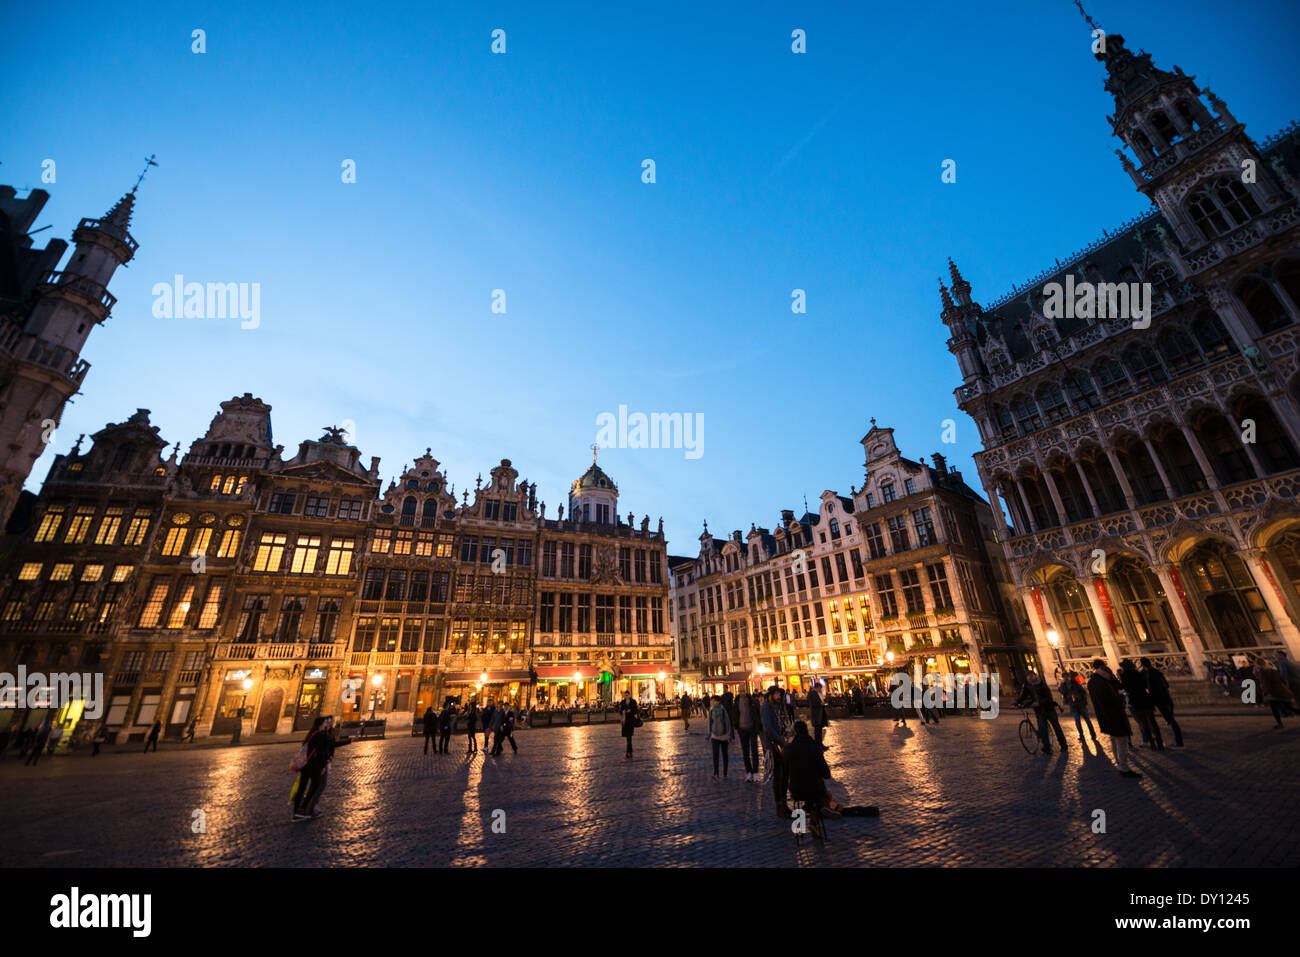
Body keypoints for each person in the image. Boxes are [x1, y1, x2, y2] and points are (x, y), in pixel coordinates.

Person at [784, 720, 841, 839]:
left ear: (795, 733)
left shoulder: (789, 749)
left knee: (810, 797)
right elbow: (826, 774)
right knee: (825, 796)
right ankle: (821, 811)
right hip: (815, 789)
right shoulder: (815, 748)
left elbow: (785, 771)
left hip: (796, 789)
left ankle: (814, 821)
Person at [1087, 659, 1140, 778]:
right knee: (1121, 740)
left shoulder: (1092, 682)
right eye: (1108, 674)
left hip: (1105, 717)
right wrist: (1121, 697)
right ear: (1103, 671)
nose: (1110, 676)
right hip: (1114, 715)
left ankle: (1119, 763)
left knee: (1114, 739)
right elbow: (1112, 700)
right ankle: (1123, 767)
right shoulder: (1103, 684)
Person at [292, 716, 345, 821]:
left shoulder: (312, 733)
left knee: (302, 787)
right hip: (314, 765)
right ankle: (304, 809)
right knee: (315, 786)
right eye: (326, 722)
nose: (328, 723)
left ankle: (297, 812)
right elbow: (323, 751)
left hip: (305, 765)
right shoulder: (320, 735)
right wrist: (323, 766)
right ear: (321, 723)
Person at [1015, 670, 1068, 753]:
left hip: (1049, 709)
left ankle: (1063, 745)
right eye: (1028, 677)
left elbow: (1049, 697)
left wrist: (1039, 703)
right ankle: (1047, 747)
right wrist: (1016, 702)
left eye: (1031, 676)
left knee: (1057, 728)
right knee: (1043, 729)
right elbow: (1023, 696)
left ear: (1035, 676)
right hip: (1039, 711)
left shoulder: (1042, 684)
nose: (1030, 679)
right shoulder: (1027, 685)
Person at [1118, 658, 1163, 750]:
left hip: (1136, 701)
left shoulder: (1125, 676)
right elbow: (1145, 685)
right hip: (1145, 699)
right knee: (1152, 722)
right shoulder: (1138, 673)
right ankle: (1160, 743)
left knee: (1144, 723)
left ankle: (1152, 744)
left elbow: (1125, 688)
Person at [761, 686, 791, 817]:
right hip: (774, 745)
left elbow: (779, 725)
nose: (779, 697)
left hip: (779, 743)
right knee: (778, 777)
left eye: (780, 694)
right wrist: (781, 741)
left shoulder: (776, 707)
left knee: (784, 776)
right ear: (771, 695)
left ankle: (784, 804)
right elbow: (769, 728)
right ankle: (780, 806)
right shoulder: (766, 707)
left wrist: (787, 732)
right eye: (777, 694)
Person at [1140, 658, 1183, 747]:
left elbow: (1147, 687)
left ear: (1142, 665)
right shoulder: (1157, 672)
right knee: (1171, 720)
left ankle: (1178, 743)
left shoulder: (1148, 674)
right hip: (1166, 698)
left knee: (1168, 720)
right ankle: (1178, 742)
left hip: (1158, 700)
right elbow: (1167, 685)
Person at [1254, 656, 1297, 728]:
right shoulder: (1274, 670)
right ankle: (1281, 722)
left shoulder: (1263, 672)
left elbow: (1265, 684)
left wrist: (1265, 693)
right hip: (1281, 690)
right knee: (1289, 707)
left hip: (1273, 693)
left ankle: (1280, 724)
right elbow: (1283, 680)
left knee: (1275, 709)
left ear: (1258, 664)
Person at [1059, 670, 1100, 745]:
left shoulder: (1075, 684)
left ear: (1070, 677)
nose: (1066, 679)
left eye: (1067, 677)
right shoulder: (1063, 686)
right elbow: (1063, 694)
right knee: (1077, 721)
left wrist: (1078, 696)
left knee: (1087, 720)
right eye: (1064, 678)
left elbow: (1083, 692)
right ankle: (1081, 735)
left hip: (1081, 704)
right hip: (1073, 705)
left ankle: (1093, 734)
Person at [733, 689, 762, 782]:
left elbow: (757, 713)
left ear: (746, 691)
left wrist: (758, 725)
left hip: (752, 728)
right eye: (740, 691)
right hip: (742, 729)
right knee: (745, 751)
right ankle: (748, 772)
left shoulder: (752, 701)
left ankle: (756, 772)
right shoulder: (736, 702)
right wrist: (736, 725)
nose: (742, 692)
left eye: (743, 690)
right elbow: (734, 715)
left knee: (754, 750)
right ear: (738, 691)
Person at [707, 694, 734, 781]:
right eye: (711, 701)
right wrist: (709, 734)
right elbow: (710, 723)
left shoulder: (723, 710)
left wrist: (729, 734)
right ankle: (716, 773)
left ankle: (725, 773)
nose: (712, 702)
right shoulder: (711, 710)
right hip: (714, 735)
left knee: (724, 754)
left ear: (718, 702)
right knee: (715, 754)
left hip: (724, 735)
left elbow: (727, 722)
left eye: (714, 701)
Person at [809, 681, 829, 747]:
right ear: (817, 687)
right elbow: (813, 703)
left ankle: (820, 744)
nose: (821, 689)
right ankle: (818, 745)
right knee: (817, 731)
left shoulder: (818, 693)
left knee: (819, 731)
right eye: (820, 688)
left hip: (820, 714)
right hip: (816, 715)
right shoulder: (812, 693)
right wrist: (821, 704)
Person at [619, 691, 638, 758]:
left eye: (627, 695)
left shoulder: (633, 701)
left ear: (630, 695)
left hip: (631, 721)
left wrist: (631, 711)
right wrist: (623, 711)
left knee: (629, 737)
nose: (626, 696)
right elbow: (620, 711)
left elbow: (636, 710)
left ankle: (628, 752)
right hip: (625, 721)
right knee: (628, 737)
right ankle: (630, 751)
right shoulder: (623, 702)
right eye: (625, 695)